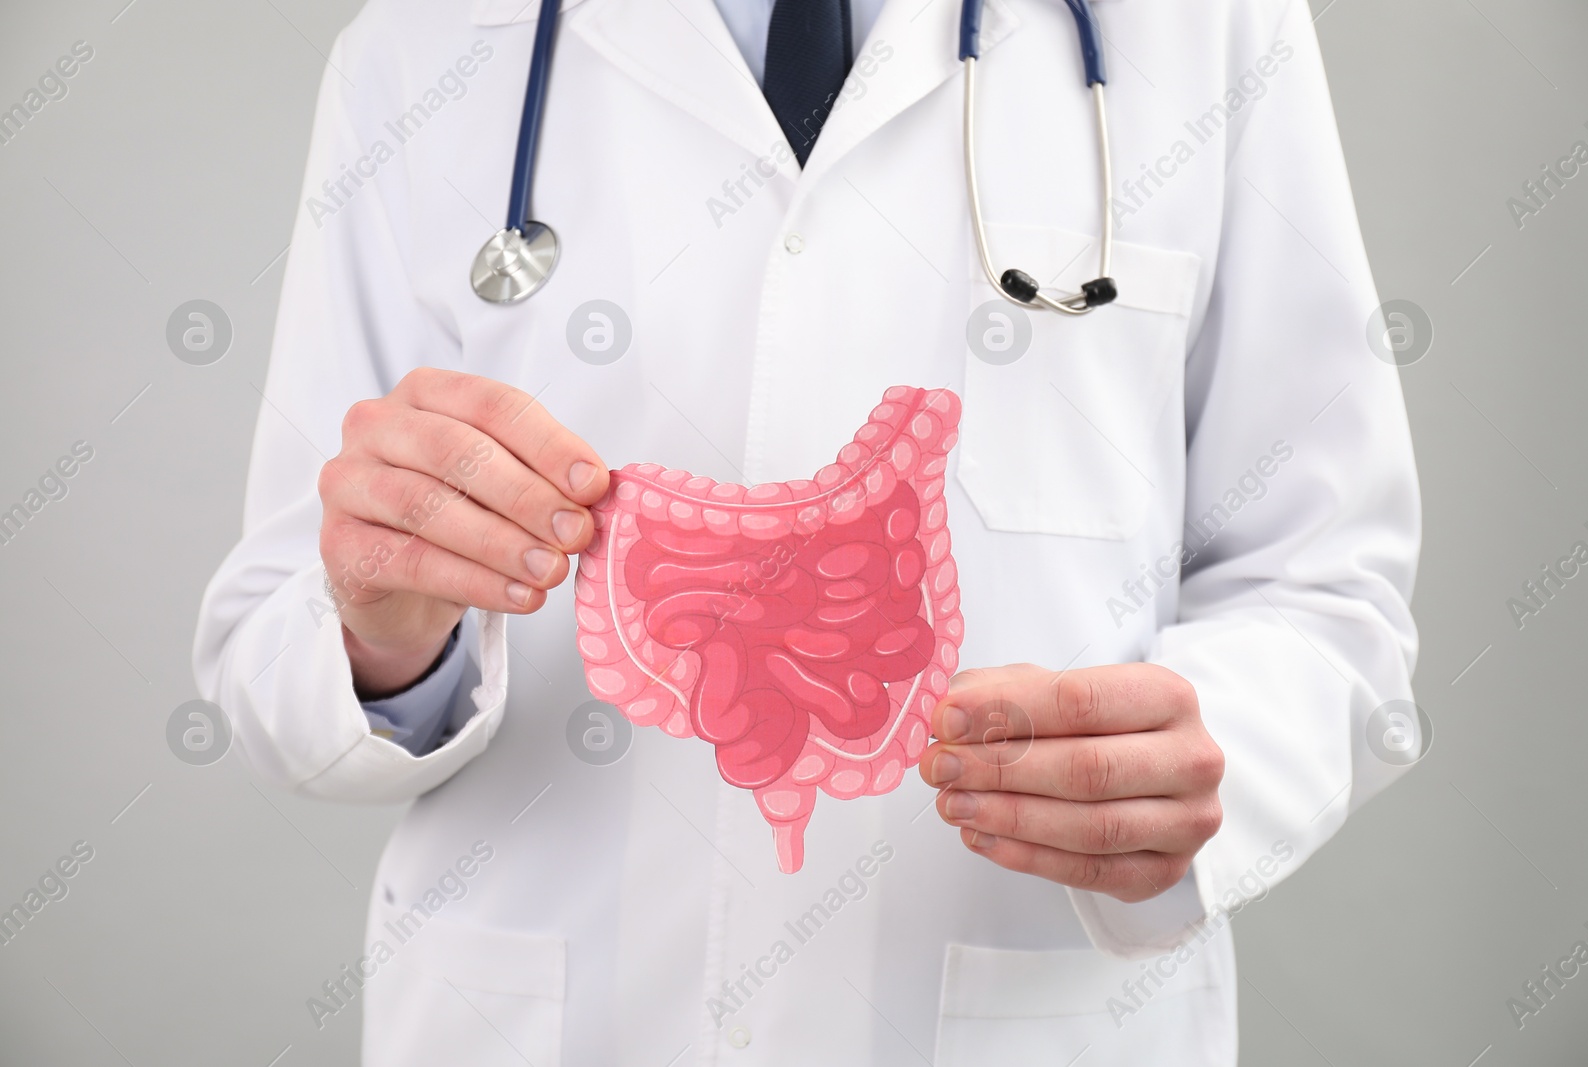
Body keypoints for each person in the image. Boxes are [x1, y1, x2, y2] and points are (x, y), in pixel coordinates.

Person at [193, 0, 1421, 1062]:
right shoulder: (428, 45)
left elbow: (1330, 588)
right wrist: (380, 630)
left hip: (1028, 1010)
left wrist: (1228, 745)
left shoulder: (1210, 29)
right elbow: (267, 651)